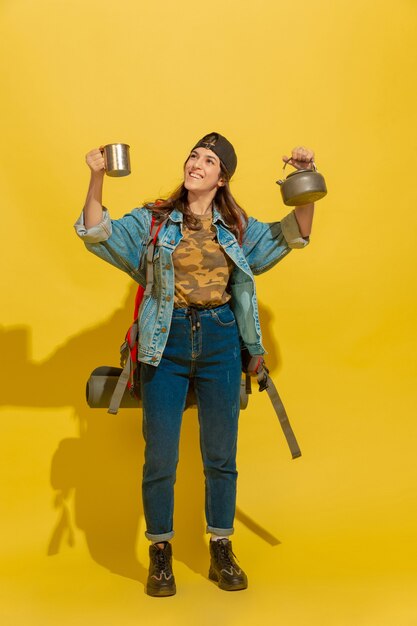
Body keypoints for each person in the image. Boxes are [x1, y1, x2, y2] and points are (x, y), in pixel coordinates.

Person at [75, 132, 315, 597]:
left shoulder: (237, 227)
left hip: (222, 342)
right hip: (165, 342)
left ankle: (221, 547)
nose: (196, 164)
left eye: (208, 160)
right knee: (160, 455)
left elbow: (295, 232)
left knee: (221, 456)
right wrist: (96, 175)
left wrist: (303, 178)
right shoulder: (154, 221)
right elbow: (96, 231)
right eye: (193, 156)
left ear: (221, 177)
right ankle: (160, 551)